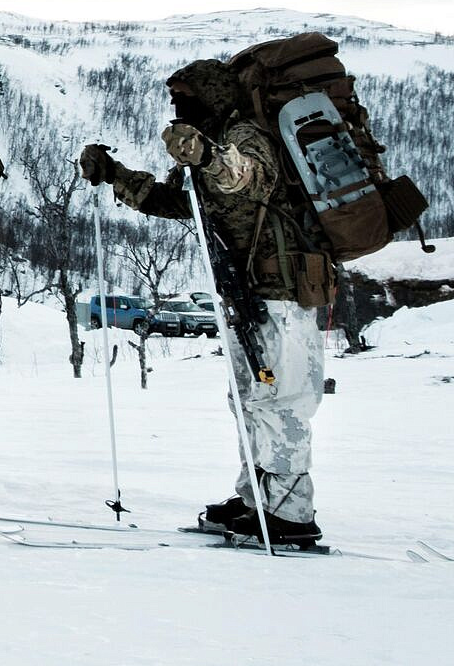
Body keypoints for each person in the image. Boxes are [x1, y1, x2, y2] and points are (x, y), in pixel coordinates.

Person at [80, 59, 330, 548]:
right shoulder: (201, 147)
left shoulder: (247, 135)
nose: (178, 105)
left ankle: (292, 513)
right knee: (249, 400)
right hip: (245, 293)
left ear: (212, 94)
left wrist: (207, 155)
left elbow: (248, 177)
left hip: (284, 291)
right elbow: (172, 202)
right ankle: (257, 498)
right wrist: (114, 174)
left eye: (186, 95)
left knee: (285, 400)